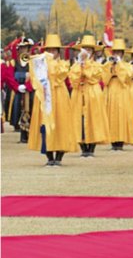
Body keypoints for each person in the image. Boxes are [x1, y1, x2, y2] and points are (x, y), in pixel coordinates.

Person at [27, 34, 79, 166]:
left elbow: (59, 76)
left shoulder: (63, 63)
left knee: (61, 123)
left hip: (59, 95)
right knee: (44, 123)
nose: (51, 53)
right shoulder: (40, 62)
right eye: (48, 50)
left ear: (58, 51)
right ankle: (49, 156)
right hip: (44, 95)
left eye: (54, 50)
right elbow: (35, 77)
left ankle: (59, 157)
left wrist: (48, 62)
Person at [71, 35, 108, 158]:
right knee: (79, 120)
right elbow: (73, 80)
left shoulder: (97, 65)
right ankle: (83, 148)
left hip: (93, 93)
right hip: (79, 94)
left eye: (89, 50)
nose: (86, 52)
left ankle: (91, 148)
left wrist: (85, 66)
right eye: (84, 49)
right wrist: (80, 65)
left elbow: (93, 77)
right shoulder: (76, 65)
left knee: (93, 119)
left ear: (93, 52)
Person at [104, 39, 133, 151]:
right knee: (111, 114)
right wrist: (110, 66)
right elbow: (104, 79)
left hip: (122, 90)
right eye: (115, 52)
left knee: (122, 114)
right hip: (112, 89)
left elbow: (127, 77)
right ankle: (113, 141)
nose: (116, 54)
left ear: (122, 53)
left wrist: (119, 64)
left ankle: (120, 141)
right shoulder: (109, 63)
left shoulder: (126, 65)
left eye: (119, 52)